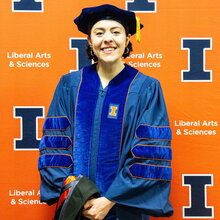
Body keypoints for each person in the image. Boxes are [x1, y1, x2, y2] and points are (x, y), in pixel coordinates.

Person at [38, 4, 173, 220]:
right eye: (99, 33)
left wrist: (110, 199)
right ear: (90, 41)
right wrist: (79, 196)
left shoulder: (146, 88)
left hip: (125, 209)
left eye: (116, 32)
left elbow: (151, 153)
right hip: (76, 208)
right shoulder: (69, 85)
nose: (107, 39)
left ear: (127, 39)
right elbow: (55, 146)